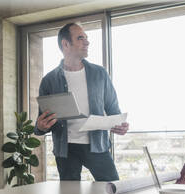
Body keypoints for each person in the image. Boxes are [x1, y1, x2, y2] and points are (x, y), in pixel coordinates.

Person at [34, 23, 129, 181]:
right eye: (80, 38)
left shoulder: (100, 74)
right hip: (66, 150)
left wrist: (120, 125)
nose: (87, 42)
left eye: (86, 38)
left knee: (113, 189)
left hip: (97, 146)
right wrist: (40, 127)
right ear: (65, 44)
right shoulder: (48, 80)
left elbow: (113, 109)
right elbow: (41, 124)